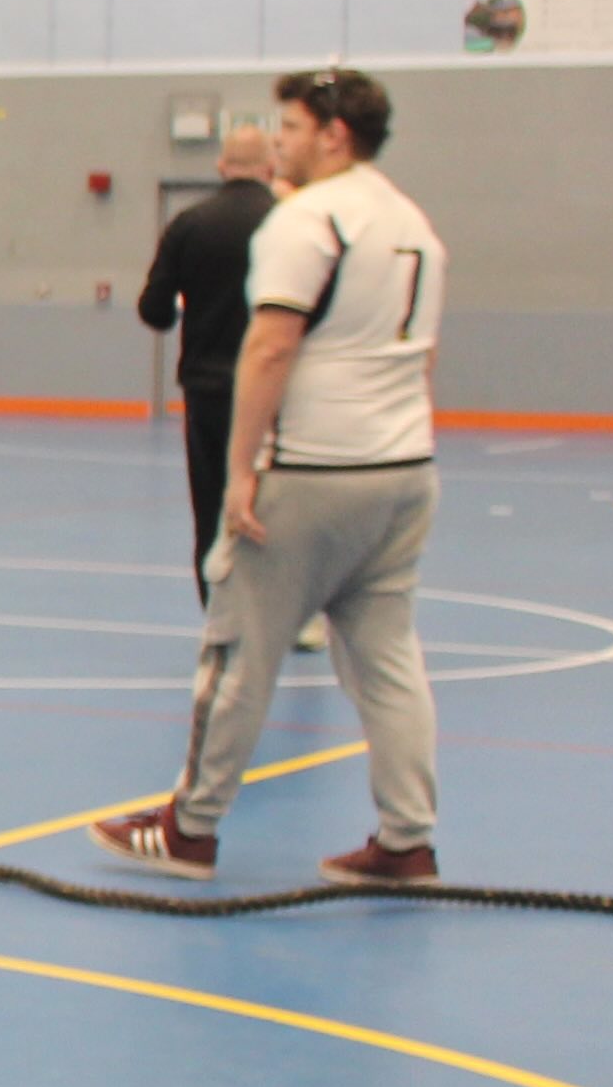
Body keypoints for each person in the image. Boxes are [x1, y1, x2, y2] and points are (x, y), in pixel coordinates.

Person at [92, 67, 449, 886]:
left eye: (290, 127)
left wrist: (244, 470)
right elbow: (424, 354)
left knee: (237, 651)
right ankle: (407, 838)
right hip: (402, 472)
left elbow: (272, 345)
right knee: (389, 661)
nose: (281, 141)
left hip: (315, 471)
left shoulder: (310, 220)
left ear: (333, 134)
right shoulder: (412, 222)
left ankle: (191, 827)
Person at [135, 121, 280, 595]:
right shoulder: (287, 223)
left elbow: (154, 311)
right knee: (277, 502)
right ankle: (288, 616)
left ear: (221, 167)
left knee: (211, 507)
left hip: (208, 389)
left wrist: (192, 302)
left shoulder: (188, 225)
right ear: (269, 166)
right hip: (277, 391)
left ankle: (217, 615)